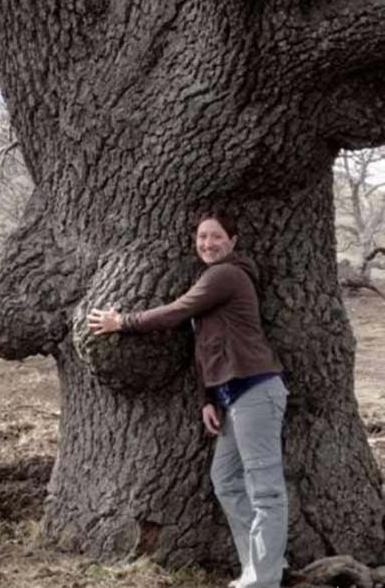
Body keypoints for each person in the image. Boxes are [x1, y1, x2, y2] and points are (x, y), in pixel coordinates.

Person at [88, 213, 288, 588]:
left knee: (265, 489)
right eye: (201, 237)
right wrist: (207, 399)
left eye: (216, 237)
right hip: (232, 396)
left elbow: (177, 312)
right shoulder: (211, 278)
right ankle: (261, 564)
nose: (207, 244)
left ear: (233, 240)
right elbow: (204, 347)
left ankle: (264, 578)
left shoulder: (226, 275)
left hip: (256, 390)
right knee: (225, 479)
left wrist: (123, 322)